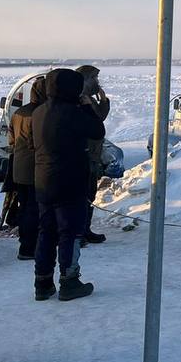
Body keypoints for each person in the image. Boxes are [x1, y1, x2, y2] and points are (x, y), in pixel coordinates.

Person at [32, 68, 105, 301]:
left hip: (43, 181)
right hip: (69, 181)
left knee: (46, 232)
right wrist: (85, 105)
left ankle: (42, 283)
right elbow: (97, 131)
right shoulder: (72, 112)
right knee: (70, 232)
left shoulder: (39, 112)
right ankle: (70, 281)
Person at [7, 74, 47, 260]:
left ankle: (25, 242)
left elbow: (12, 140)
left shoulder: (19, 113)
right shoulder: (41, 114)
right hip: (34, 168)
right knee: (33, 208)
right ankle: (29, 248)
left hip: (18, 167)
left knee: (25, 207)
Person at [76, 64, 110, 246]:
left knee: (90, 193)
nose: (97, 82)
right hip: (84, 154)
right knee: (81, 195)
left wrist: (103, 100)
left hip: (93, 155)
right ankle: (77, 233)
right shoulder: (79, 100)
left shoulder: (89, 99)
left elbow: (100, 118)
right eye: (94, 78)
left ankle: (85, 230)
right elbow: (93, 122)